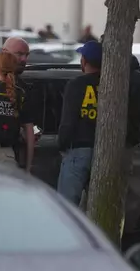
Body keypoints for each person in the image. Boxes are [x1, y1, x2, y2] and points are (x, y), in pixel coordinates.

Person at [0, 37, 37, 165]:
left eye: (26, 55)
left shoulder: (21, 87)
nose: (24, 59)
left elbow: (29, 128)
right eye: (20, 54)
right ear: (4, 52)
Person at [56, 41, 103, 205]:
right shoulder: (111, 85)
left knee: (67, 206)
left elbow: (68, 120)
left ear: (84, 61)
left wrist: (62, 144)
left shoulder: (76, 85)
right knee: (96, 206)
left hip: (78, 150)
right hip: (104, 152)